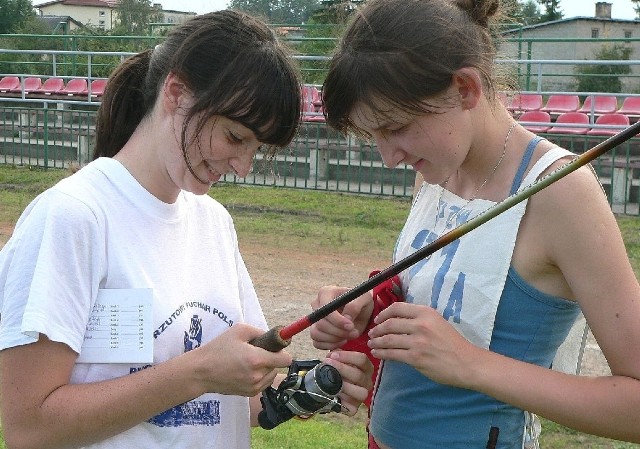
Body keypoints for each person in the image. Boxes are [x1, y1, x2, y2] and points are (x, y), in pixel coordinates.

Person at [0, 10, 372, 449]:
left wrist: (316, 386)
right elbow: (29, 425)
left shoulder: (213, 221)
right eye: (235, 137)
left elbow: (233, 401)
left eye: (256, 148)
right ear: (177, 93)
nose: (243, 167)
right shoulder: (74, 216)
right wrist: (197, 372)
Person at [309, 0, 640, 448]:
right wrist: (366, 308)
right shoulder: (438, 169)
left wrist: (470, 364)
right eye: (374, 137)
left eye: (397, 127)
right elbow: (447, 302)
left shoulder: (560, 192)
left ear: (465, 88)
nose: (389, 158)